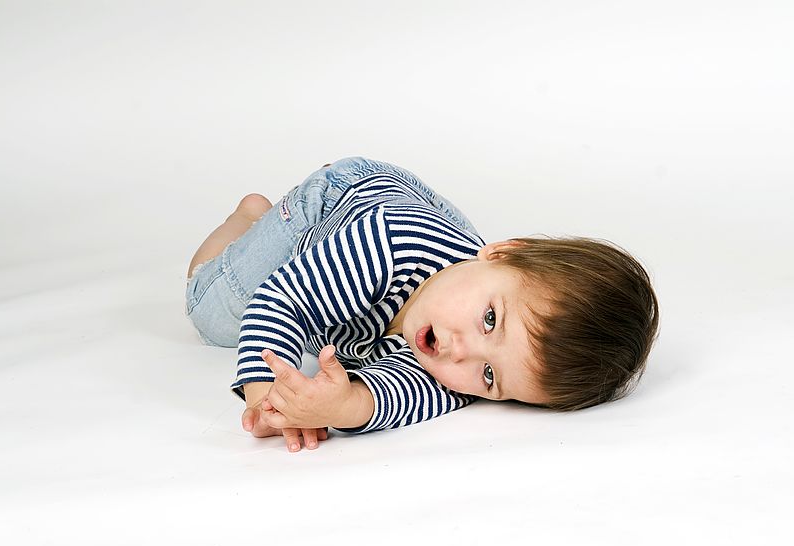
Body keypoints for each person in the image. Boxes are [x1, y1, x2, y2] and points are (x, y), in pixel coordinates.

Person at [184, 157, 659, 453]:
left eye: (490, 378)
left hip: (436, 253)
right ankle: (250, 218)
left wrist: (341, 404)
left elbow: (396, 395)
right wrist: (268, 395)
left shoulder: (470, 372)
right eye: (489, 320)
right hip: (339, 204)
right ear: (501, 253)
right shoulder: (389, 244)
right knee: (214, 313)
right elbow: (287, 301)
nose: (461, 352)